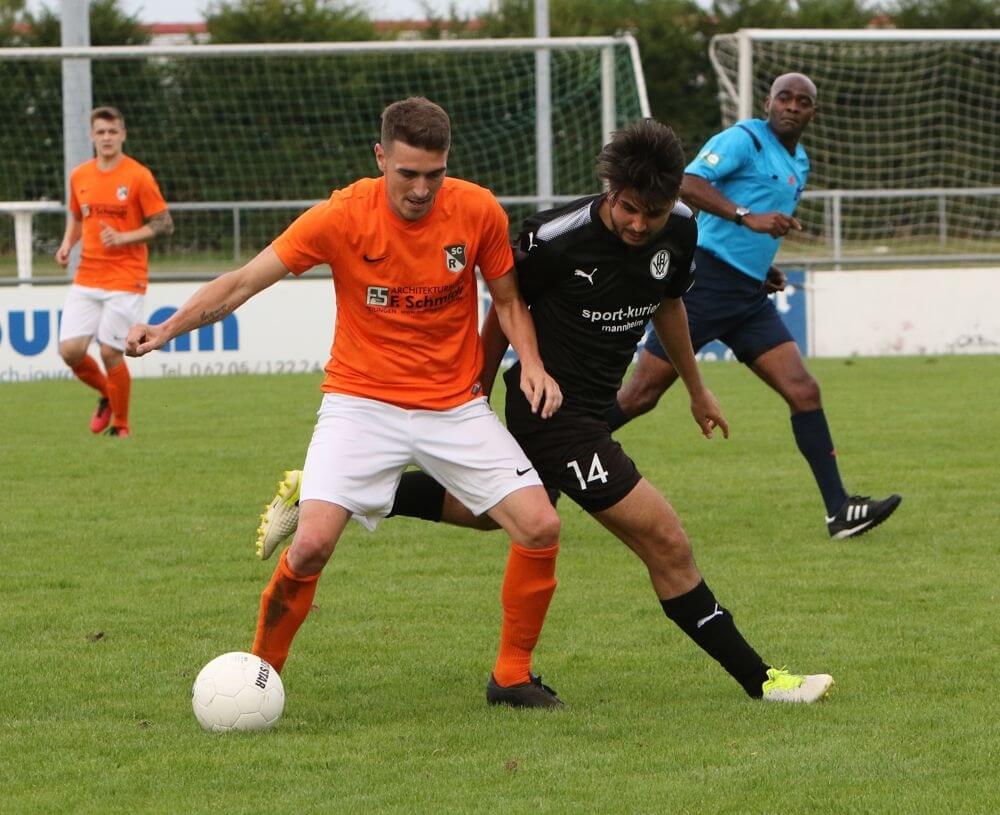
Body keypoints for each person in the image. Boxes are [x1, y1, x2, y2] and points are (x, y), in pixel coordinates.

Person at [258, 119, 834, 705]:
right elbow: (504, 310)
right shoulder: (555, 237)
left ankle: (330, 493)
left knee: (493, 517)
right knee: (666, 542)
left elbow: (668, 306)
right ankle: (763, 682)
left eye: (653, 213)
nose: (639, 224)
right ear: (610, 191)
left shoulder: (681, 228)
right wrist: (477, 393)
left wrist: (696, 387)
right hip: (552, 413)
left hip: (594, 407)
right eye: (629, 209)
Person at [127, 97, 567, 709]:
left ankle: (512, 677)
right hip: (360, 405)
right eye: (407, 173)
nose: (421, 189)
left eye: (434, 175)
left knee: (540, 526)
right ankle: (259, 678)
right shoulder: (340, 216)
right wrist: (164, 329)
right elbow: (242, 283)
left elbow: (510, 301)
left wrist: (534, 366)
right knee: (309, 547)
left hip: (453, 407)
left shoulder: (478, 209)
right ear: (380, 156)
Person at [609, 74, 900, 540]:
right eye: (784, 97)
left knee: (804, 390)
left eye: (802, 102)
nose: (792, 106)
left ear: (812, 113)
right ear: (769, 101)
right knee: (641, 395)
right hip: (703, 282)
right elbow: (688, 181)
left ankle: (840, 510)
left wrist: (762, 267)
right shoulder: (743, 139)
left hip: (747, 296)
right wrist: (747, 216)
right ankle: (557, 453)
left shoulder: (799, 161)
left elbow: (757, 227)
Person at [56, 106, 174, 438]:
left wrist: (125, 237)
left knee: (111, 350)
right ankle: (110, 394)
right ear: (92, 136)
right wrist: (67, 245)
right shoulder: (80, 175)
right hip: (88, 274)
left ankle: (121, 426)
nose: (107, 138)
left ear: (123, 134)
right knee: (70, 351)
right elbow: (79, 217)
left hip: (126, 276)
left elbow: (164, 223)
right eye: (101, 132)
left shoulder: (138, 176)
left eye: (113, 131)